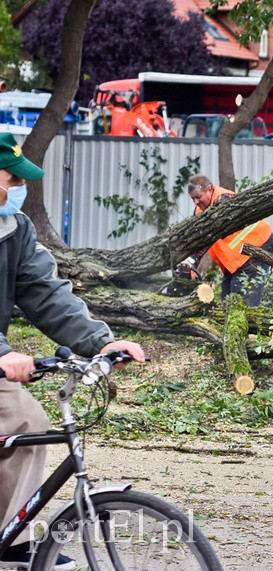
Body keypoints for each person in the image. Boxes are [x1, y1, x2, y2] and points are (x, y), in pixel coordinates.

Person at [0, 132, 146, 569]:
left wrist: (102, 341)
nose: (20, 190)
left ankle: (12, 541)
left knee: (27, 420)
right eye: (13, 180)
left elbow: (46, 293)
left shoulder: (14, 228)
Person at [186, 175, 273, 306]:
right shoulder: (199, 210)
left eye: (198, 197)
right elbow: (199, 239)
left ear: (209, 190)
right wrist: (190, 260)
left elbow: (212, 233)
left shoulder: (223, 199)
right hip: (238, 255)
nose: (196, 202)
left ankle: (249, 324)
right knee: (227, 295)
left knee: (242, 295)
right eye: (192, 198)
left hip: (259, 244)